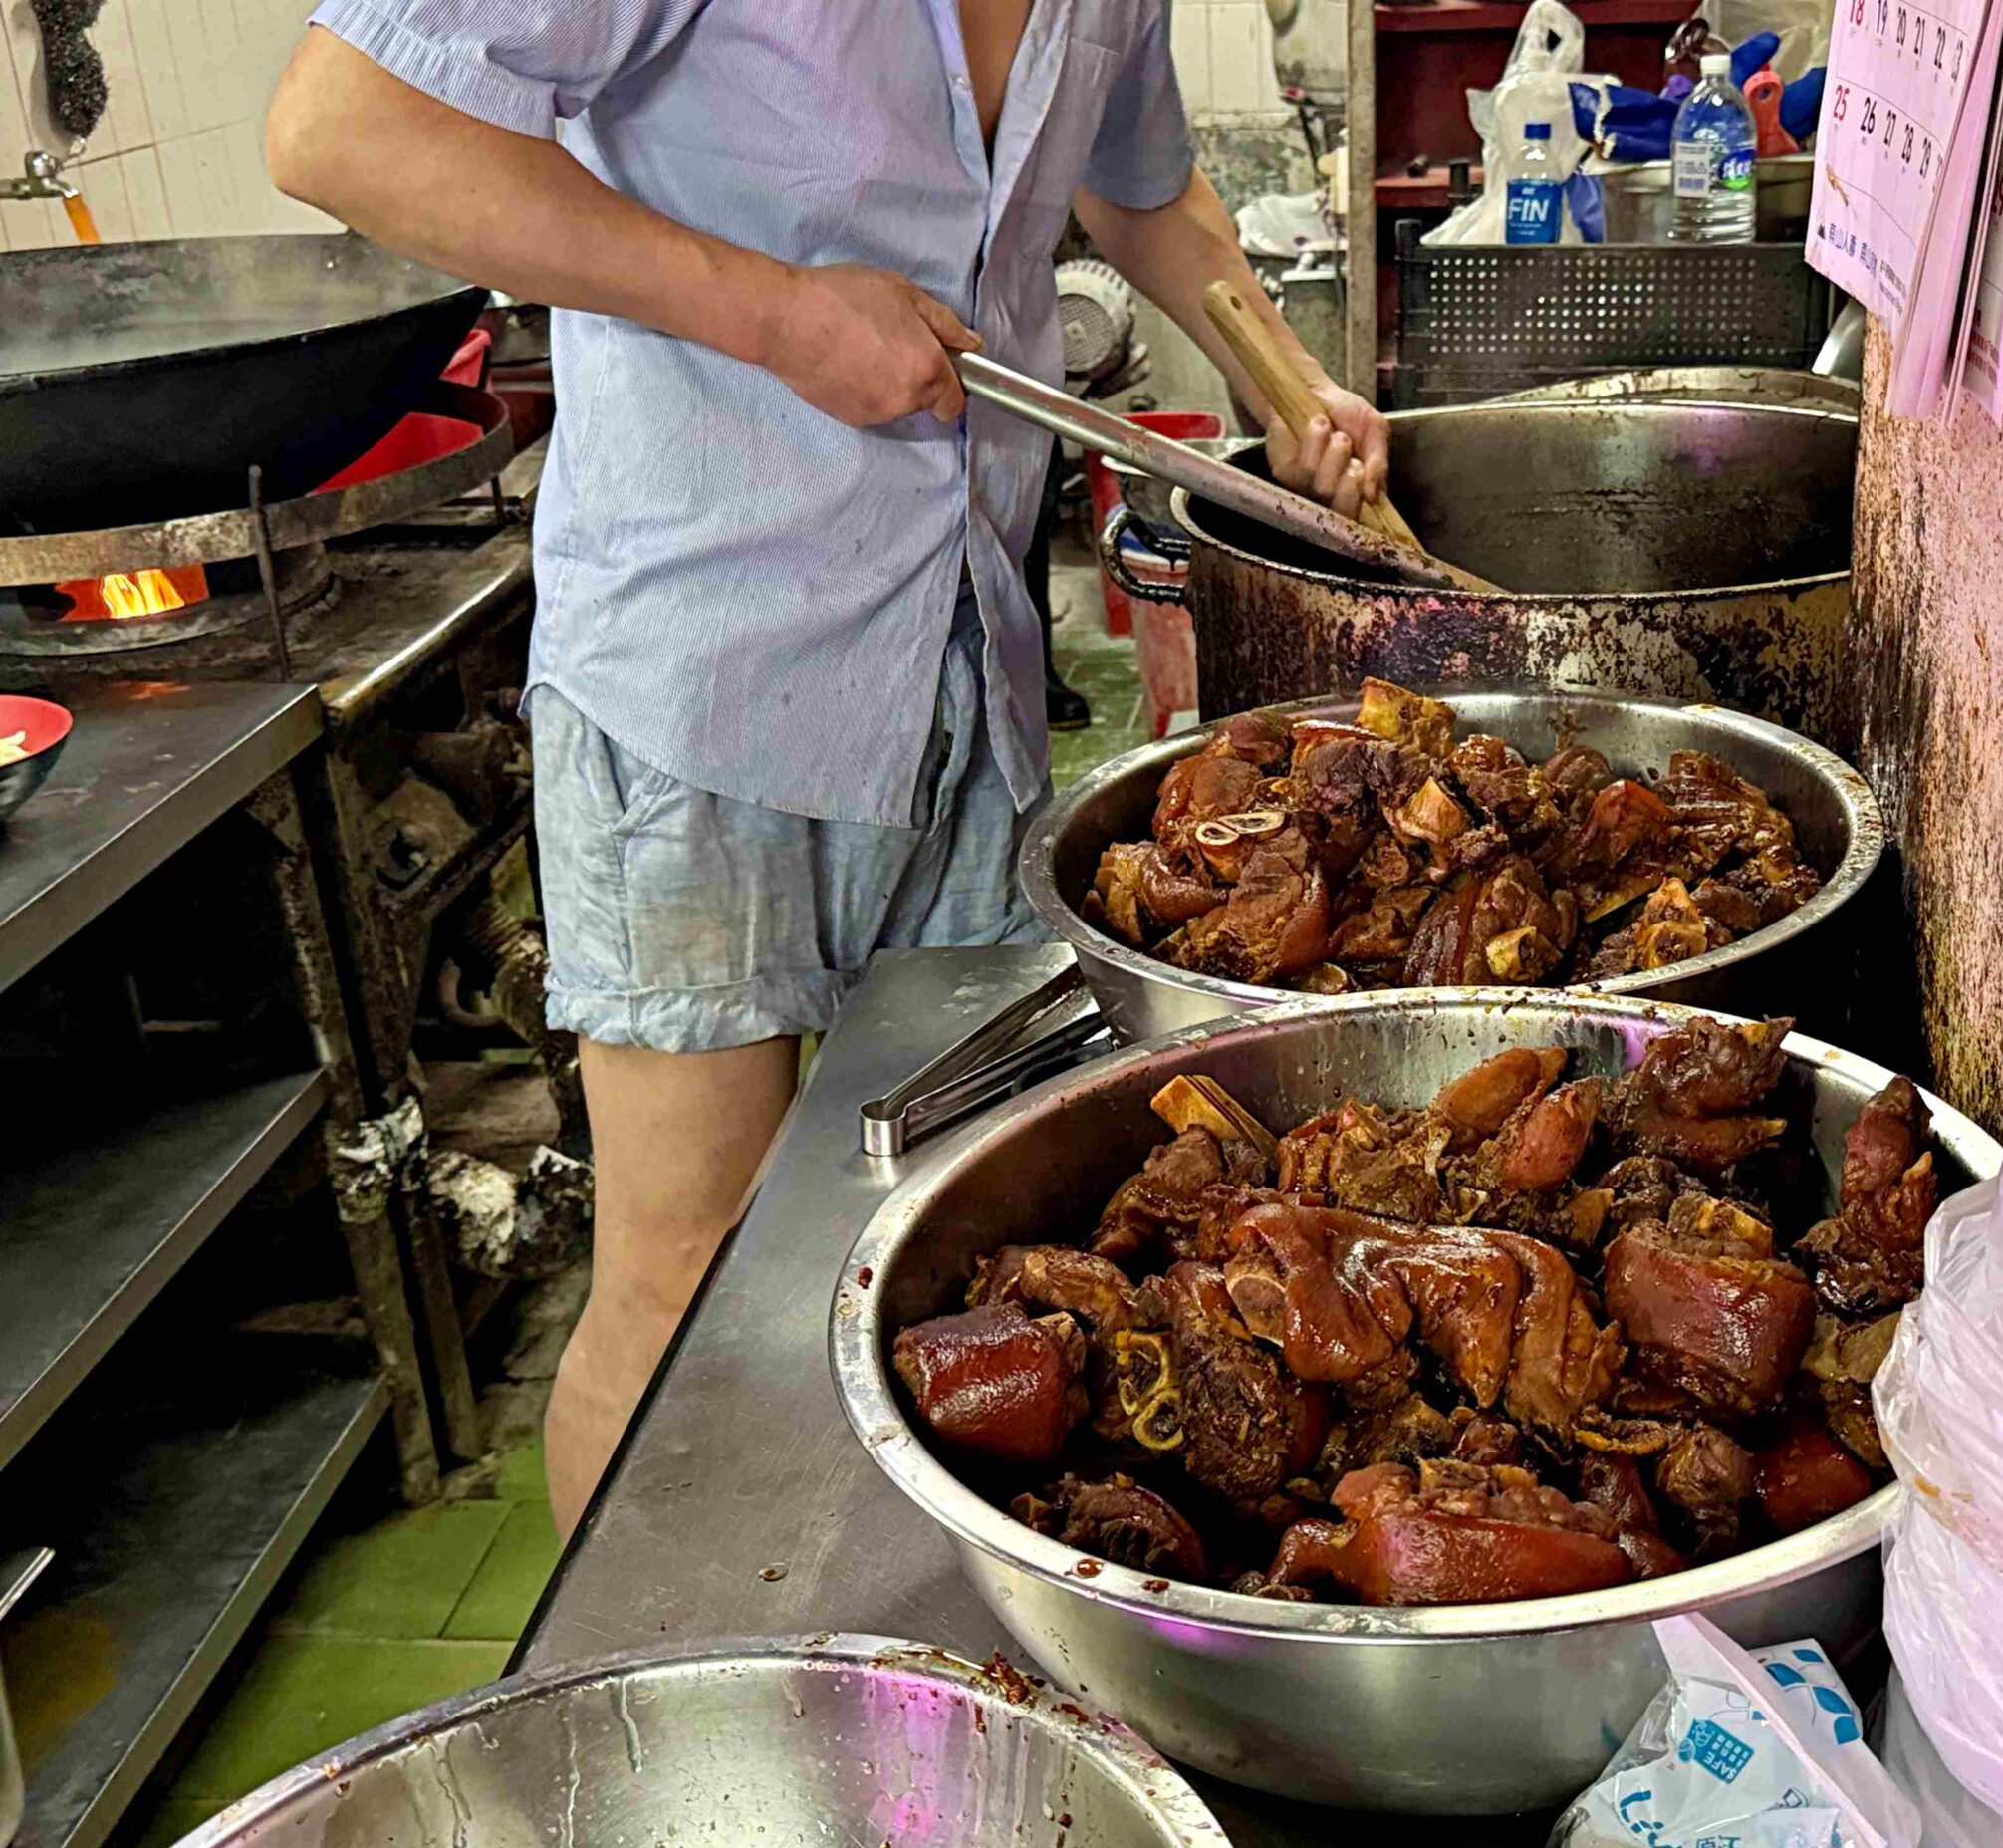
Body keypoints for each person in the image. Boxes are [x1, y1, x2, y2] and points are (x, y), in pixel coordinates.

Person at [264, 0, 1387, 1531]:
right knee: (682, 1263)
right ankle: (640, 1703)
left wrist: (1283, 381)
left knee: (956, 1244)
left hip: (966, 661)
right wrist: (777, 312)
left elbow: (1135, 181)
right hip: (701, 678)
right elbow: (345, 132)